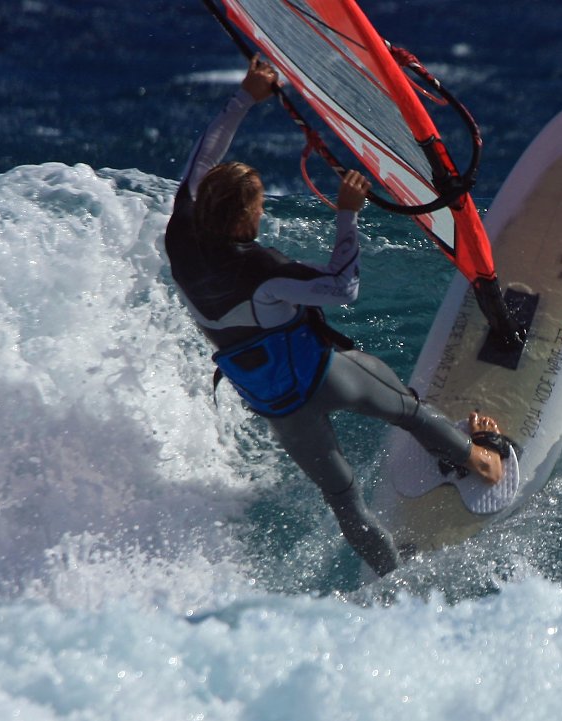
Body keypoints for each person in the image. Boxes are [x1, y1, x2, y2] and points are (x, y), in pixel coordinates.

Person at [164, 57, 513, 577]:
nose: (263, 212)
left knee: (345, 502)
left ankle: (391, 584)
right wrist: (347, 211)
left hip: (276, 404)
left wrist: (244, 98)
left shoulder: (180, 239)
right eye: (258, 206)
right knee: (408, 410)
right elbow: (342, 288)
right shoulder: (261, 269)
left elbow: (201, 161)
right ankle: (481, 462)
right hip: (325, 376)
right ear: (241, 217)